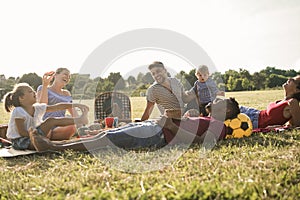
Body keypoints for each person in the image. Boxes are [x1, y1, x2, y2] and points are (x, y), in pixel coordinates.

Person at [29, 97, 240, 152]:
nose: (218, 99)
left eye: (223, 101)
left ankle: (53, 147)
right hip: (154, 127)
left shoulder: (219, 126)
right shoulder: (207, 119)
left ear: (227, 111)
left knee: (105, 139)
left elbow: (199, 143)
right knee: (104, 134)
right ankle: (53, 144)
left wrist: (171, 125)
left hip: (157, 134)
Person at [3, 83, 89, 150]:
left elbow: (57, 107)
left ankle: (80, 120)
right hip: (20, 140)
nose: (34, 92)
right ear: (21, 98)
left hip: (36, 135)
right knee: (39, 142)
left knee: (51, 120)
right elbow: (21, 132)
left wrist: (75, 105)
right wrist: (33, 135)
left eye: (33, 91)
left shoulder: (37, 107)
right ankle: (41, 143)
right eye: (30, 91)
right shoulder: (18, 111)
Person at [37, 68, 78, 139]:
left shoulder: (66, 93)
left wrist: (81, 123)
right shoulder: (43, 88)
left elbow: (74, 114)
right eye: (65, 74)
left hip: (59, 127)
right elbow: (42, 106)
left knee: (71, 126)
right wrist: (45, 85)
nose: (67, 78)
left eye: (69, 77)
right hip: (45, 124)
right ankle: (48, 137)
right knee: (46, 132)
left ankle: (51, 138)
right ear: (55, 75)